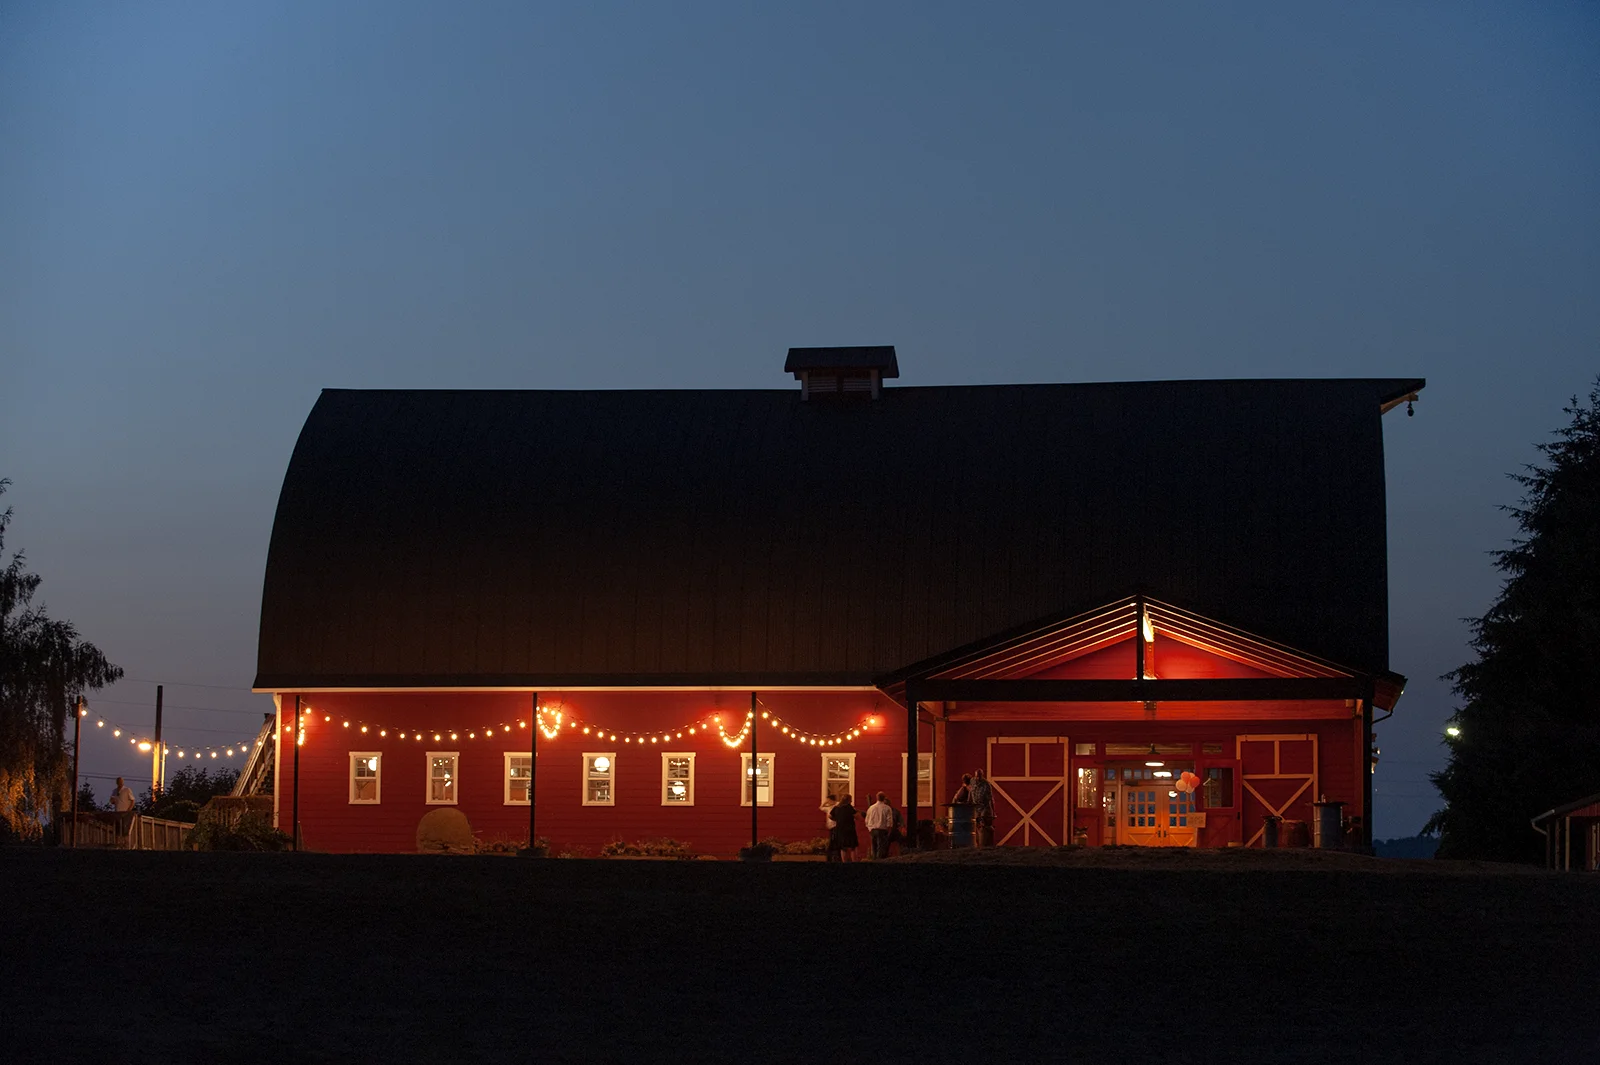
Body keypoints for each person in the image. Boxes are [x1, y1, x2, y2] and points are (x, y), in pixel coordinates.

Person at [829, 793, 860, 862]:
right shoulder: (849, 807)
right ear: (848, 800)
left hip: (840, 829)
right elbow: (857, 817)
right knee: (853, 846)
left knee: (843, 847)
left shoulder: (836, 808)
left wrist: (837, 819)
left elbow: (830, 816)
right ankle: (854, 862)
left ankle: (844, 862)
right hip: (850, 829)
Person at [865, 792, 895, 860]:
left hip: (873, 829)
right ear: (884, 798)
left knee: (874, 847)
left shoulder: (871, 808)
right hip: (882, 830)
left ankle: (874, 860)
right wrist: (889, 830)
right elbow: (889, 821)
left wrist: (869, 828)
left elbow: (867, 819)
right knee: (881, 848)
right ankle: (879, 862)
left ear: (877, 798)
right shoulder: (887, 808)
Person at [969, 768, 994, 847]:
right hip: (975, 807)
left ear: (982, 776)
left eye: (979, 776)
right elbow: (970, 791)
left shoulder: (986, 785)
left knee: (983, 823)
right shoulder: (972, 781)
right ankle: (977, 843)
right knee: (975, 824)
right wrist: (969, 801)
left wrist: (992, 811)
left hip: (984, 806)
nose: (978, 778)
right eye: (977, 776)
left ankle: (983, 844)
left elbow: (990, 799)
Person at [821, 797, 842, 862]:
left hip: (836, 826)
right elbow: (821, 807)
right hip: (831, 827)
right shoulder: (829, 808)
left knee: (834, 842)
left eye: (829, 800)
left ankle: (835, 857)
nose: (828, 802)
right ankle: (833, 857)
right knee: (833, 842)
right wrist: (825, 802)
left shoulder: (837, 805)